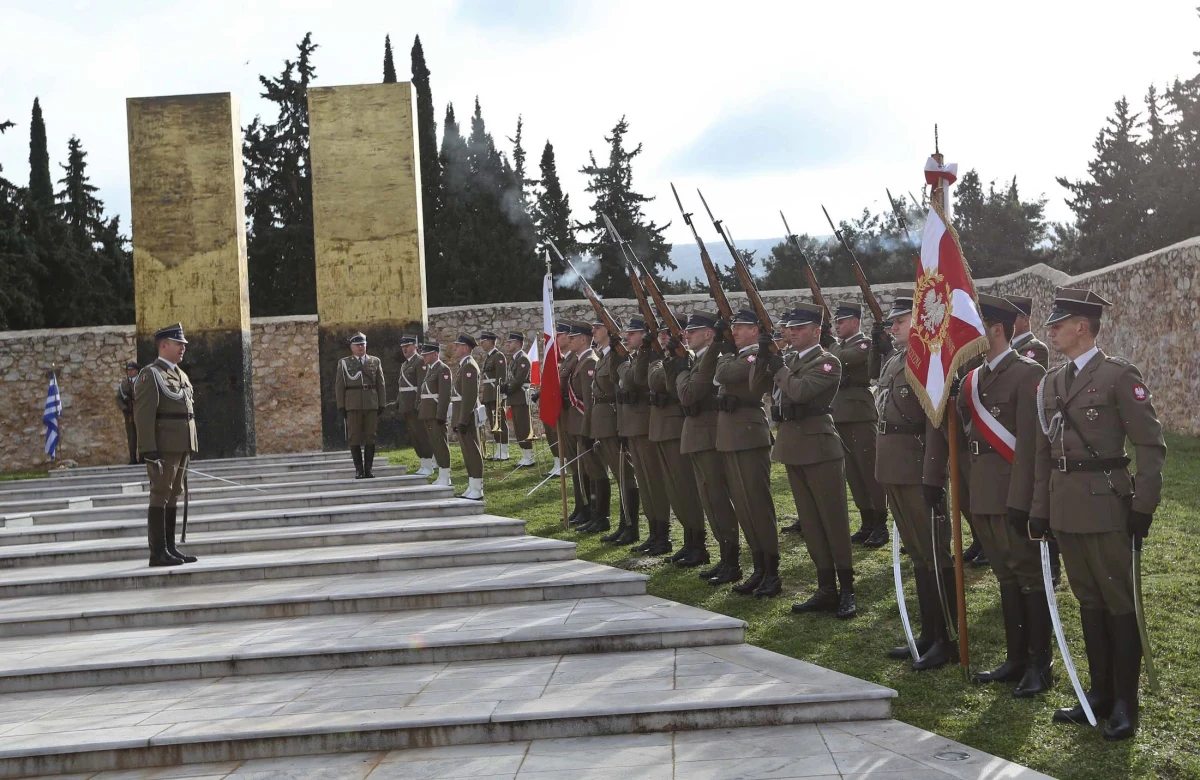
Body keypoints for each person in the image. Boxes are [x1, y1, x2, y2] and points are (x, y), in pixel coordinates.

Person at [1032, 288, 1166, 741]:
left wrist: (1143, 505)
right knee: (1088, 599)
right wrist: (1041, 509)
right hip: (1066, 504)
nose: (1050, 330)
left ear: (1082, 327)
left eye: (1058, 323)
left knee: (1118, 601)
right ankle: (1100, 693)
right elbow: (1044, 453)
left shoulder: (1117, 376)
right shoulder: (1051, 382)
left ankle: (1127, 703)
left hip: (1108, 504)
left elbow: (1149, 444)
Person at [933, 295, 1051, 695]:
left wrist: (1024, 500)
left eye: (972, 327)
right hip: (982, 492)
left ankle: (1040, 665)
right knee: (1005, 575)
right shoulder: (971, 379)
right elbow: (965, 440)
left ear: (995, 329)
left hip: (1012, 494)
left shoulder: (1028, 373)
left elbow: (1032, 446)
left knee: (1029, 577)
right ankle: (1015, 659)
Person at [755, 304, 856, 617]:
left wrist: (779, 367)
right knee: (810, 522)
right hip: (794, 447)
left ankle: (847, 589)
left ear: (815, 330)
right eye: (790, 328)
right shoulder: (788, 360)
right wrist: (763, 355)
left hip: (820, 448)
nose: (792, 332)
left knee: (833, 520)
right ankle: (825, 587)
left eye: (799, 328)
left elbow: (799, 392)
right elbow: (755, 387)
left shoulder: (828, 362)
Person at [872, 296, 955, 670]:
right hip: (893, 464)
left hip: (918, 464)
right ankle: (928, 632)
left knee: (934, 553)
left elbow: (935, 423)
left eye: (901, 321)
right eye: (892, 323)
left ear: (920, 322)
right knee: (919, 554)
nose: (893, 328)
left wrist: (933, 474)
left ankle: (947, 637)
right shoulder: (894, 360)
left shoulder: (928, 361)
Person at [702, 309, 779, 597]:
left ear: (756, 330)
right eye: (734, 326)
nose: (735, 331)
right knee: (745, 508)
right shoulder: (737, 354)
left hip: (749, 433)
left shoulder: (751, 356)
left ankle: (772, 570)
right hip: (731, 435)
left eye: (743, 326)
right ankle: (759, 568)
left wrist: (724, 355)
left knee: (758, 506)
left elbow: (724, 373)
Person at [669, 311, 740, 583]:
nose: (687, 334)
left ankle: (731, 560)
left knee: (718, 499)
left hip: (709, 435)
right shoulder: (698, 358)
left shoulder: (712, 357)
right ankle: (724, 557)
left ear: (709, 334)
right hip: (697, 434)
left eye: (694, 330)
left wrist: (682, 371)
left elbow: (688, 394)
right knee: (709, 500)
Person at [133, 323, 197, 567]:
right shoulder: (151, 374)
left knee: (174, 494)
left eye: (183, 344)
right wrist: (149, 451)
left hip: (181, 446)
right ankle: (157, 552)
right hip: (163, 447)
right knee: (161, 493)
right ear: (163, 345)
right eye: (178, 343)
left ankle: (170, 548)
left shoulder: (180, 374)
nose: (183, 348)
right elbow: (143, 415)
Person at [649, 325, 709, 567]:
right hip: (665, 428)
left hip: (676, 427)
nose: (663, 338)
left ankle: (698, 545)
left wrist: (672, 361)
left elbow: (668, 384)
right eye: (660, 334)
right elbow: (652, 379)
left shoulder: (689, 358)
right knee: (675, 491)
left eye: (667, 334)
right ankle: (689, 541)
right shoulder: (670, 358)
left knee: (686, 490)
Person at [831, 302, 888, 548]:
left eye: (841, 321)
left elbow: (842, 357)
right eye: (836, 322)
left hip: (860, 414)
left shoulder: (863, 343)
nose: (837, 326)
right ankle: (867, 521)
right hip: (841, 414)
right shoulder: (840, 345)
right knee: (853, 473)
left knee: (868, 471)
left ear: (854, 322)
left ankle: (880, 523)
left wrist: (828, 343)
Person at [618, 317, 673, 555]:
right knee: (645, 482)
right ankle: (654, 532)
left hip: (646, 425)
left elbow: (634, 381)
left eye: (633, 333)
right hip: (634, 426)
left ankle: (663, 534)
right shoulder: (637, 356)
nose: (627, 337)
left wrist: (646, 351)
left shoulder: (653, 357)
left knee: (654, 482)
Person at [590, 320, 638, 543]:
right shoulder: (604, 357)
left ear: (609, 331)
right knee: (619, 477)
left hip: (613, 421)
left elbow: (619, 392)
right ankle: (623, 524)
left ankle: (630, 526)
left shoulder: (616, 357)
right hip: (604, 422)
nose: (593, 331)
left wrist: (621, 425)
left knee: (625, 476)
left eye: (598, 327)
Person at [570, 321, 608, 532]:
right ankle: (593, 514)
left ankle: (601, 516)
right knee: (589, 471)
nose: (569, 340)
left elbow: (589, 401)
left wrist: (588, 430)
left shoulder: (589, 363)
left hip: (588, 425)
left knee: (596, 471)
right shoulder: (580, 361)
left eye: (573, 337)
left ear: (583, 339)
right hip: (581, 425)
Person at [335, 332, 387, 479]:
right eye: (357, 345)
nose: (360, 347)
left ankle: (368, 469)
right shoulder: (344, 363)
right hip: (353, 404)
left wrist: (381, 403)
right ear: (351, 347)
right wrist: (341, 406)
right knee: (354, 437)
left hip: (371, 403)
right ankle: (359, 470)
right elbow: (339, 386)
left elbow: (380, 384)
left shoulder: (375, 361)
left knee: (371, 436)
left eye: (362, 344)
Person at [452, 334, 485, 500]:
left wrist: (463, 419)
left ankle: (477, 488)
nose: (455, 348)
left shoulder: (469, 366)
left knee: (472, 450)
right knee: (467, 450)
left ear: (466, 348)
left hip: (468, 415)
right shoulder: (464, 365)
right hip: (462, 414)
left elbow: (470, 396)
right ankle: (472, 485)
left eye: (458, 345)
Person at [397, 335, 435, 477]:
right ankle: (423, 462)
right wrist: (398, 402)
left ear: (415, 346)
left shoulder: (420, 362)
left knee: (422, 435)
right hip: (406, 405)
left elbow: (421, 384)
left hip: (415, 405)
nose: (405, 349)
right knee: (414, 436)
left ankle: (428, 464)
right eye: (403, 347)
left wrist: (418, 403)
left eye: (407, 346)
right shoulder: (405, 364)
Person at [418, 342, 452, 487]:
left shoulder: (442, 369)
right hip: (427, 413)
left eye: (426, 354)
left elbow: (444, 395)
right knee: (434, 444)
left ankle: (446, 476)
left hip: (436, 414)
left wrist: (441, 415)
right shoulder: (431, 369)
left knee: (440, 444)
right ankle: (441, 474)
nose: (423, 356)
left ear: (434, 354)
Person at [501, 332, 537, 468]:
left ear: (518, 343)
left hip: (521, 397)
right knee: (518, 427)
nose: (508, 344)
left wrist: (507, 388)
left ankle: (529, 456)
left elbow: (518, 380)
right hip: (515, 397)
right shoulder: (515, 359)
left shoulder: (523, 359)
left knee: (523, 426)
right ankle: (525, 455)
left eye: (511, 342)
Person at [479, 331, 510, 461]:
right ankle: (499, 449)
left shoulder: (499, 356)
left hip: (495, 393)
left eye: (484, 341)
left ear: (491, 341)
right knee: (493, 422)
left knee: (500, 421)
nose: (481, 343)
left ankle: (504, 450)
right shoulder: (489, 357)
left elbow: (501, 377)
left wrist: (500, 394)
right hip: (488, 393)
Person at [1007, 295, 1051, 367]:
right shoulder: (1008, 346)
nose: (1005, 322)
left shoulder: (1037, 348)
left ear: (1025, 320)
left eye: (1010, 317)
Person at [116, 360, 140, 465]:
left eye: (132, 370)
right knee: (131, 435)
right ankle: (133, 457)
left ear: (137, 371)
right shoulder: (124, 384)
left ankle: (143, 456)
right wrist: (124, 408)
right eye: (128, 370)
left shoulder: (142, 382)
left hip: (140, 413)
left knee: (142, 435)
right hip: (129, 414)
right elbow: (118, 398)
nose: (130, 372)